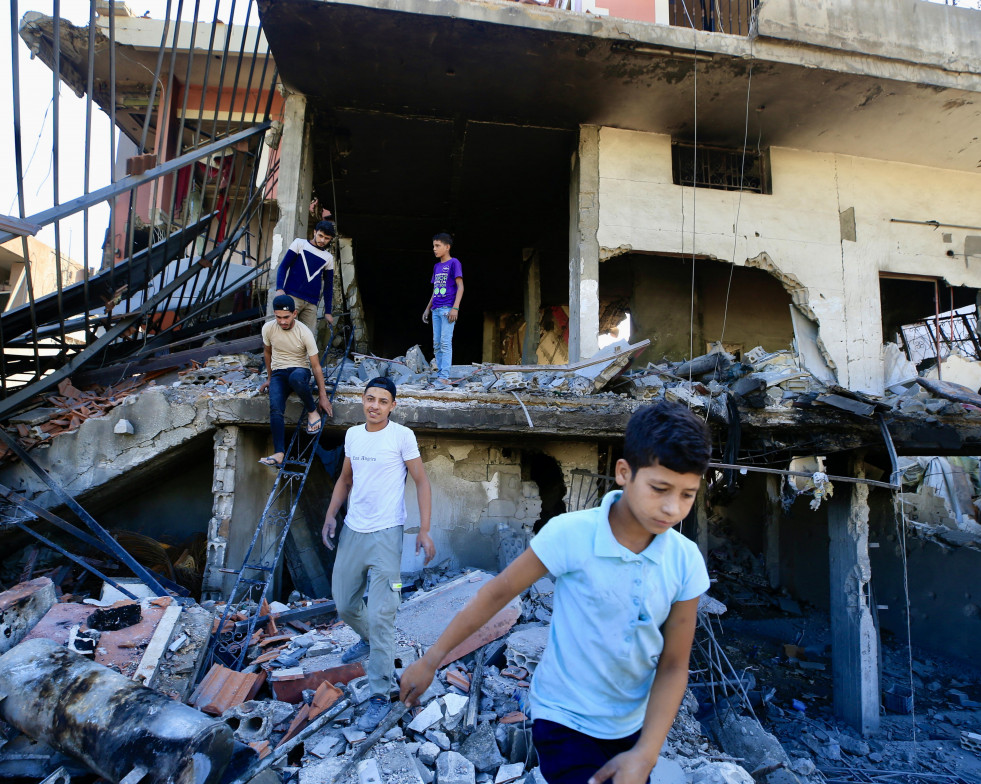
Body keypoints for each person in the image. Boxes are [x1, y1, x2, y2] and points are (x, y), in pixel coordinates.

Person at [400, 401, 712, 784]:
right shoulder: (571, 534)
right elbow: (496, 594)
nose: (671, 508)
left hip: (632, 728)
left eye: (687, 495)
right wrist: (431, 660)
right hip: (563, 718)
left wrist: (646, 753)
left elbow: (674, 665)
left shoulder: (685, 561)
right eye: (660, 489)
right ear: (624, 473)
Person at [322, 377, 436, 730]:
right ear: (363, 400)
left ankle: (378, 696)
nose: (374, 406)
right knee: (343, 601)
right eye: (369, 399)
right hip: (354, 530)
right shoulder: (353, 435)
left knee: (384, 613)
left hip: (388, 535)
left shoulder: (402, 436)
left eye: (382, 401)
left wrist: (425, 530)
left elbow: (421, 481)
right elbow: (345, 479)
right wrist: (330, 514)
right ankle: (369, 638)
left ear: (392, 406)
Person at [258, 294, 332, 467]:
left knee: (296, 379)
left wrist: (322, 396)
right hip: (278, 372)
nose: (282, 321)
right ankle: (279, 453)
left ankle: (312, 411)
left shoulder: (304, 332)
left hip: (300, 369)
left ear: (295, 313)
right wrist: (269, 379)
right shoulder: (268, 328)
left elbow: (316, 366)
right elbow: (267, 353)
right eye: (278, 317)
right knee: (275, 407)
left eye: (286, 317)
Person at [273, 220, 337, 335]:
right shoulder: (299, 244)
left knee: (308, 338)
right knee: (287, 334)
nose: (322, 240)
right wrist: (279, 288)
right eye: (320, 235)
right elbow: (283, 266)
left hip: (311, 303)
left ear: (330, 239)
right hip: (292, 297)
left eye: (327, 238)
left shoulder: (328, 258)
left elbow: (328, 286)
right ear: (314, 232)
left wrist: (328, 311)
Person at [421, 233, 463, 388]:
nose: (434, 249)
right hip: (436, 309)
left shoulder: (454, 263)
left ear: (447, 247)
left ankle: (444, 378)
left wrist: (455, 308)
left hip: (447, 309)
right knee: (436, 344)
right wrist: (428, 309)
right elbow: (435, 289)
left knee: (445, 343)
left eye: (437, 246)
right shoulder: (437, 266)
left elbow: (460, 286)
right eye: (433, 246)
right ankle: (440, 376)